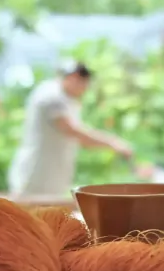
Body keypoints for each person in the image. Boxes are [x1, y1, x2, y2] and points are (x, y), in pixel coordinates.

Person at [8, 62, 133, 196]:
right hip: (36, 174)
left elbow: (81, 139)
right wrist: (112, 142)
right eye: (84, 84)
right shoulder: (51, 96)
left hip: (53, 174)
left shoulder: (67, 98)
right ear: (74, 78)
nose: (85, 90)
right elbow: (73, 131)